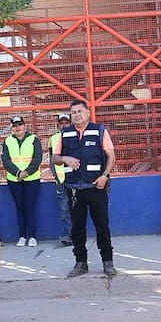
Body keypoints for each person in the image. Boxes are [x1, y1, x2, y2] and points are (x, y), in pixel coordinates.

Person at [53, 100, 116, 277]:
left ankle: (108, 262)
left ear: (88, 113)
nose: (77, 114)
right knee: (77, 229)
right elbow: (54, 158)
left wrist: (105, 175)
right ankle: (81, 263)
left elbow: (111, 155)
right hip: (74, 189)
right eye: (73, 112)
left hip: (97, 186)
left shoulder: (99, 131)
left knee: (102, 226)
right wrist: (65, 159)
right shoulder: (64, 134)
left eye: (80, 111)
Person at [2, 115, 43, 247]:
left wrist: (27, 172)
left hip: (32, 178)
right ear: (12, 128)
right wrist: (17, 172)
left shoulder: (33, 139)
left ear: (25, 126)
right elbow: (6, 160)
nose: (17, 127)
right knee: (19, 207)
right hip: (14, 179)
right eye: (15, 125)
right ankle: (22, 236)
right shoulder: (7, 141)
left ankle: (32, 236)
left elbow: (37, 158)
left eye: (20, 124)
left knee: (29, 207)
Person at [50, 113, 73, 246]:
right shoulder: (53, 139)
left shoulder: (76, 136)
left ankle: (77, 235)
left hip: (75, 179)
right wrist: (56, 177)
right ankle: (67, 235)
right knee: (65, 209)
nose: (64, 125)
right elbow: (52, 161)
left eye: (66, 123)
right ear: (58, 125)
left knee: (77, 208)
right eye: (61, 123)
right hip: (61, 180)